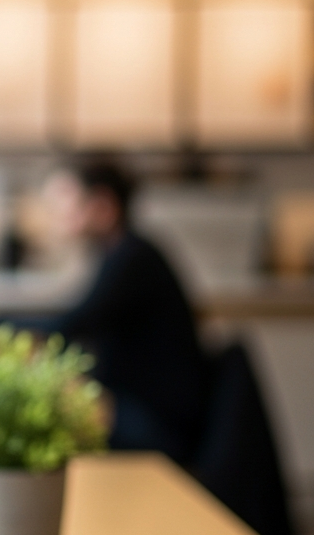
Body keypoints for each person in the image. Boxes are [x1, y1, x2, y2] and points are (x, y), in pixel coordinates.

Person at [31, 159, 207, 465]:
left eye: (65, 206)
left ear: (103, 207)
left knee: (42, 432)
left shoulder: (133, 259)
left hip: (156, 425)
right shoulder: (121, 253)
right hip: (139, 408)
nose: (57, 217)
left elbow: (74, 324)